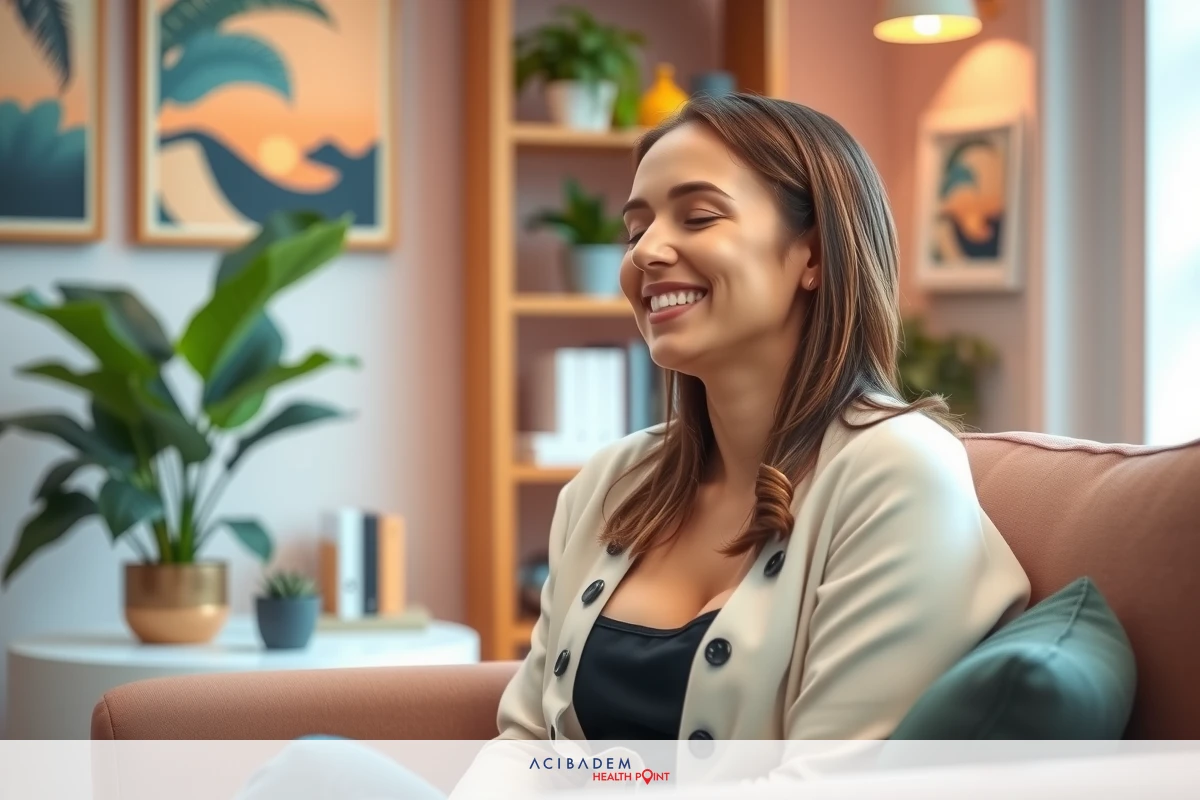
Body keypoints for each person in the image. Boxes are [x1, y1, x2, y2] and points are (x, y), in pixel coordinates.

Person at [235, 93, 1031, 799]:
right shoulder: (613, 483)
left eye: (699, 216)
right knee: (314, 772)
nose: (646, 251)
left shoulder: (898, 473)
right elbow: (529, 743)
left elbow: (829, 785)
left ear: (814, 256)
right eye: (637, 225)